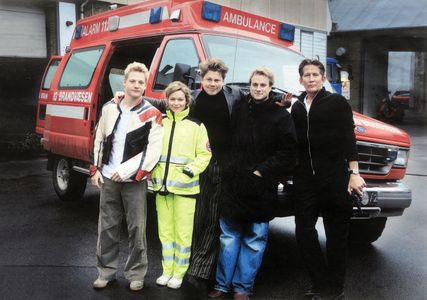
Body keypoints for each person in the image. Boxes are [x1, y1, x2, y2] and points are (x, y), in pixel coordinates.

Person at [207, 68, 297, 300]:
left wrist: (261, 171)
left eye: (263, 85)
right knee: (228, 238)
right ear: (250, 86)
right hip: (234, 184)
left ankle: (242, 288)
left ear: (270, 88)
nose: (258, 89)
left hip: (261, 187)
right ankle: (221, 285)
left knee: (254, 240)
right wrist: (228, 165)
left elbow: (288, 152)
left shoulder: (281, 117)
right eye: (255, 84)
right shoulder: (237, 110)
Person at [290, 59, 366, 300]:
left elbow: (348, 138)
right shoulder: (298, 106)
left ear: (323, 78)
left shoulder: (336, 102)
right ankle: (319, 282)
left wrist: (354, 174)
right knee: (304, 232)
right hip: (305, 181)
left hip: (334, 178)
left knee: (335, 236)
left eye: (315, 74)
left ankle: (335, 288)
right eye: (306, 75)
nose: (311, 78)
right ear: (300, 79)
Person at [90, 62, 163, 291]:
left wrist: (127, 171)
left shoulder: (152, 113)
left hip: (134, 182)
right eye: (132, 81)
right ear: (124, 83)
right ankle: (106, 272)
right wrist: (95, 169)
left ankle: (135, 274)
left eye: (141, 82)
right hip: (109, 178)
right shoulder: (110, 108)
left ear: (145, 85)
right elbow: (99, 138)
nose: (137, 85)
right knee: (107, 227)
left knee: (137, 228)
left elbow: (153, 150)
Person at [185, 58, 246, 288]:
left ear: (224, 80)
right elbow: (167, 102)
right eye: (209, 79)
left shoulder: (235, 95)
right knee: (194, 215)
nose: (212, 84)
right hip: (196, 163)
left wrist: (281, 101)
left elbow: (258, 100)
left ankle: (200, 270)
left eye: (217, 80)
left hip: (220, 164)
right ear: (202, 79)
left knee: (211, 217)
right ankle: (188, 263)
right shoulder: (192, 96)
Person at [151, 81, 211, 289]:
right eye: (172, 99)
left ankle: (179, 273)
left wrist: (190, 170)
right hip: (162, 188)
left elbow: (205, 155)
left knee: (183, 234)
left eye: (180, 99)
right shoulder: (160, 122)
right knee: (165, 233)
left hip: (185, 189)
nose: (176, 103)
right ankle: (166, 270)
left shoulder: (196, 126)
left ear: (187, 100)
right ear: (166, 101)